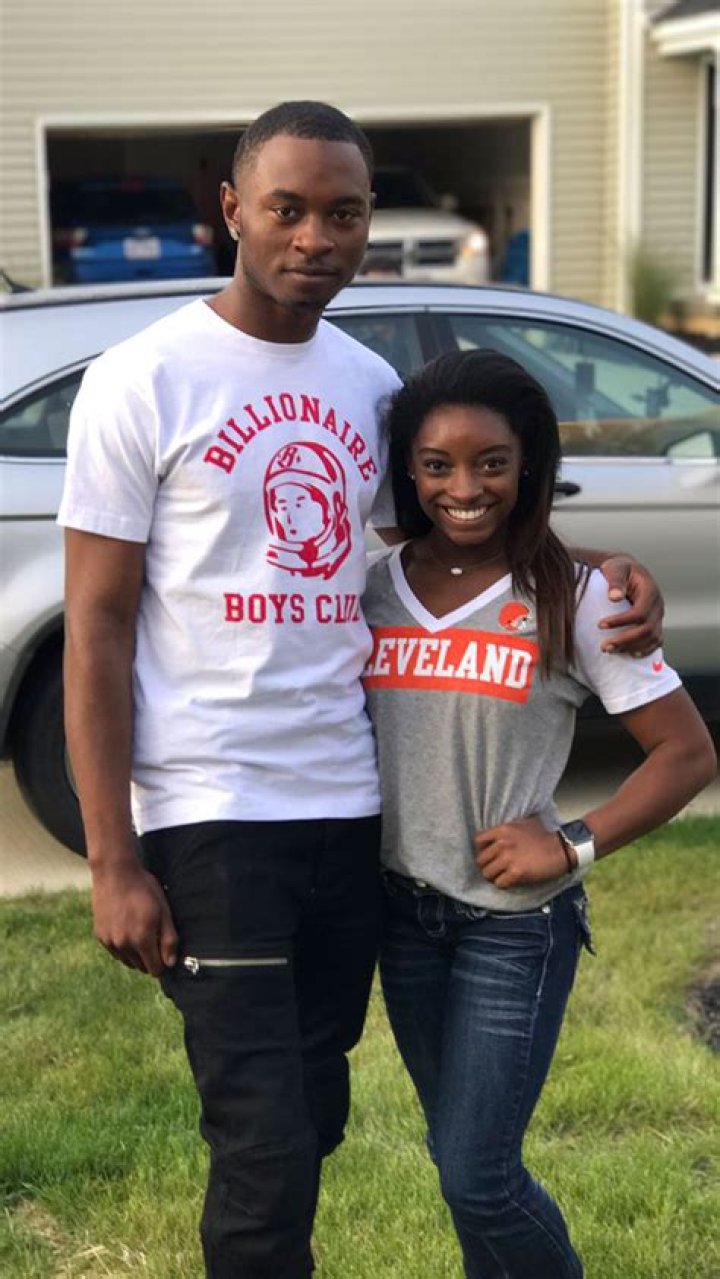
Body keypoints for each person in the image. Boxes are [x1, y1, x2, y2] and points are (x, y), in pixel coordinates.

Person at [59, 100, 664, 1278]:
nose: (314, 237)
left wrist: (595, 566)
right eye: (286, 208)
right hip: (213, 814)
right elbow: (96, 627)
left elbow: (447, 534)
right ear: (232, 209)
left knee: (313, 1108)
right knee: (264, 1145)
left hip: (349, 814)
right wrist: (111, 857)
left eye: (342, 214)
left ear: (368, 222)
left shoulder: (369, 385)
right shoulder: (142, 380)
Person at [361, 348, 716, 1279]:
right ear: (408, 471)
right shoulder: (371, 587)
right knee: (458, 1160)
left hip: (512, 927)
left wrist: (571, 843)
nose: (464, 487)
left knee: (479, 1175)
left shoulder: (576, 596)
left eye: (492, 463)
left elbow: (687, 753)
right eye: (436, 465)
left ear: (529, 468)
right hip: (402, 915)